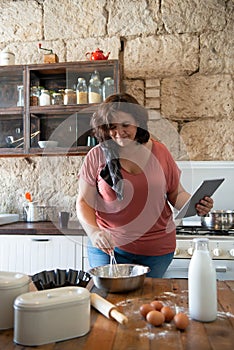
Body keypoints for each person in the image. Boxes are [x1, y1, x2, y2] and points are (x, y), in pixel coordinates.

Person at [76, 93, 213, 277]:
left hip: (156, 251)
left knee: (148, 303)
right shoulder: (96, 155)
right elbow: (84, 202)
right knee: (107, 301)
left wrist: (195, 204)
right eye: (112, 127)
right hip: (108, 248)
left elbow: (176, 193)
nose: (119, 132)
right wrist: (93, 233)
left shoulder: (160, 152)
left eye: (125, 125)